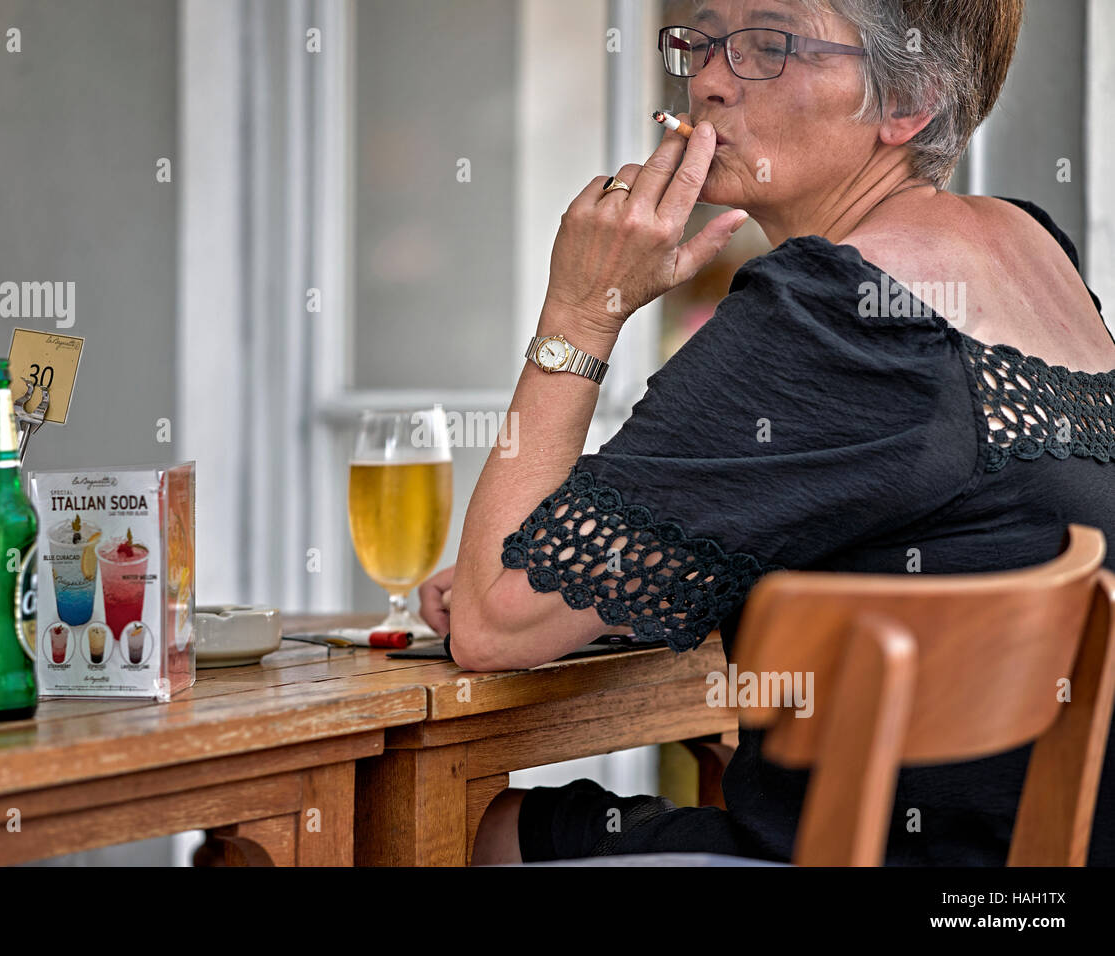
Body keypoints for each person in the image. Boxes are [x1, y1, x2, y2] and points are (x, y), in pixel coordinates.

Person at [420, 0, 1115, 865]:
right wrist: (605, 576)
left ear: (909, 104)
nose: (708, 81)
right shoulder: (1028, 248)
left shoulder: (832, 307)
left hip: (862, 857)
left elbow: (490, 624)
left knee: (450, 831)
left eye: (767, 47)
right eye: (702, 41)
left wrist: (581, 309)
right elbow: (932, 533)